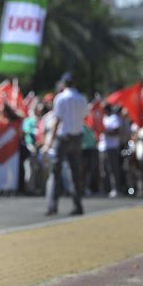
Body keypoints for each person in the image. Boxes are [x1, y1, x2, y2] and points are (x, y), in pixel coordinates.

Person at [44, 73, 87, 216]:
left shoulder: (61, 98)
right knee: (75, 173)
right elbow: (83, 117)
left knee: (55, 173)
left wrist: (51, 139)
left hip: (63, 138)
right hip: (76, 137)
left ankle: (52, 205)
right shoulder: (82, 98)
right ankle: (77, 205)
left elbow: (57, 120)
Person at [98, 104, 122, 198]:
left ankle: (116, 188)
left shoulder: (114, 118)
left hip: (112, 147)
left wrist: (105, 131)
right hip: (103, 147)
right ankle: (106, 189)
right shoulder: (103, 118)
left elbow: (117, 131)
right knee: (104, 169)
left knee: (113, 169)